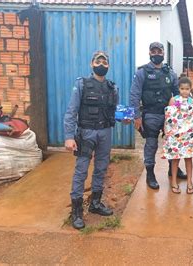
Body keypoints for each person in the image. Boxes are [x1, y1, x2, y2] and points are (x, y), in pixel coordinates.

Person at [64, 51, 118, 230]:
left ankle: (95, 203)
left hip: (105, 133)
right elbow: (71, 111)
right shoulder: (82, 84)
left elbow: (115, 111)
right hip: (86, 133)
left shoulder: (112, 87)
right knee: (81, 171)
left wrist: (124, 117)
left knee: (101, 169)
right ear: (91, 64)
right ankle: (77, 211)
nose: (101, 64)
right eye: (98, 61)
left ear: (108, 65)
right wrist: (69, 136)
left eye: (105, 61)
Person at [129, 42, 187, 190]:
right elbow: (134, 95)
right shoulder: (142, 72)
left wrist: (183, 113)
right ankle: (150, 174)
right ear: (149, 53)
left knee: (172, 143)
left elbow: (178, 93)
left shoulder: (170, 73)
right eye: (153, 51)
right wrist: (136, 116)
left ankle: (173, 168)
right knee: (151, 145)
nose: (156, 54)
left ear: (163, 53)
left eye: (159, 51)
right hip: (150, 115)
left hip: (169, 115)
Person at [164, 77, 193, 194]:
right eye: (182, 88)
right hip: (176, 135)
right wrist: (167, 131)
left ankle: (189, 182)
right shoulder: (174, 100)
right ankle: (174, 181)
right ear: (178, 89)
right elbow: (168, 117)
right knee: (175, 159)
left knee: (188, 159)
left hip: (189, 135)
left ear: (190, 89)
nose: (185, 91)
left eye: (187, 89)